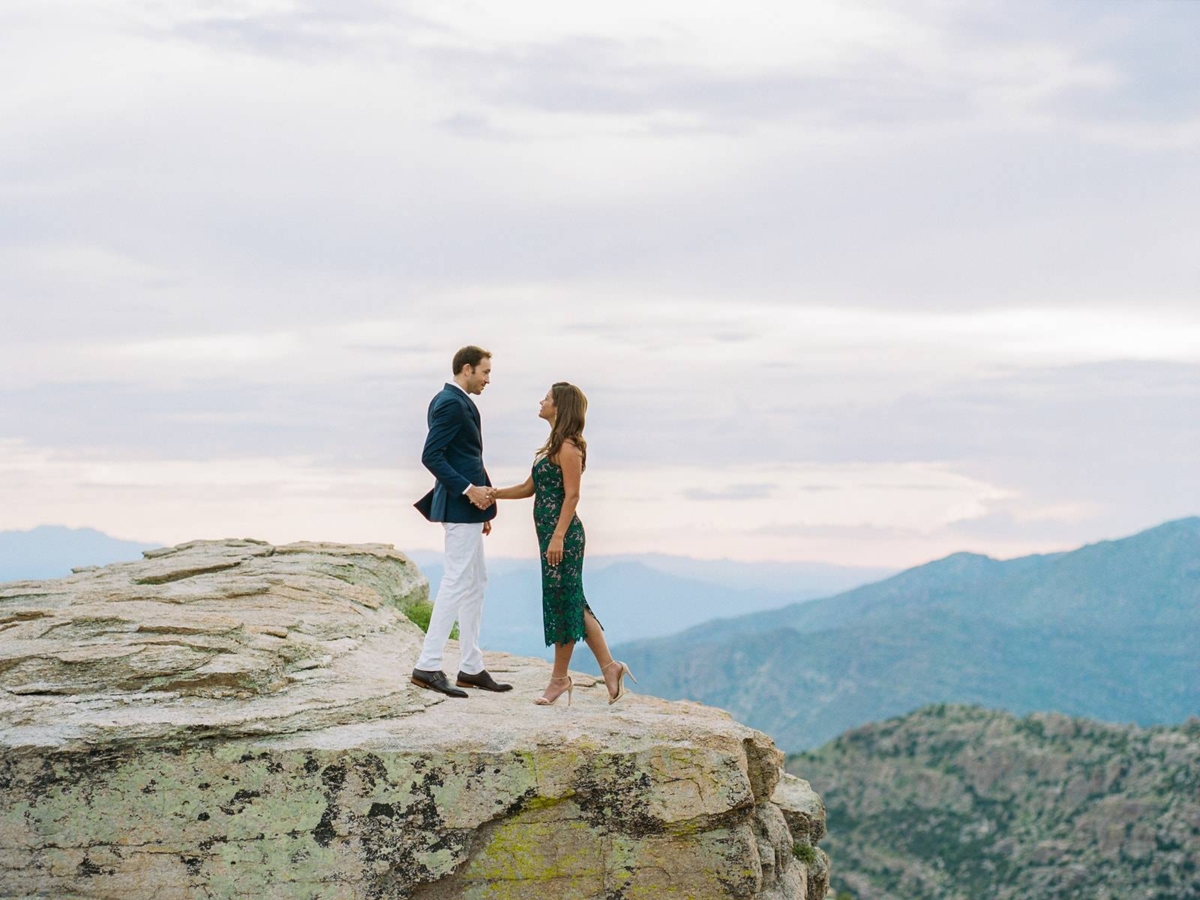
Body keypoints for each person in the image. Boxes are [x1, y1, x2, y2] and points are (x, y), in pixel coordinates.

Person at [492, 382, 635, 706]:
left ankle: (559, 680)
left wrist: (557, 536)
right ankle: (610, 667)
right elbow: (530, 488)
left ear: (560, 407)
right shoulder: (552, 447)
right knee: (573, 603)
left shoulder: (569, 448)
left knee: (563, 605)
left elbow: (573, 495)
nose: (541, 401)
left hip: (564, 538)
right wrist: (495, 493)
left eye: (547, 398)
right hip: (552, 537)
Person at [411, 346, 512, 698]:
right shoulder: (451, 402)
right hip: (459, 506)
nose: (487, 380)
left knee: (476, 580)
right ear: (466, 369)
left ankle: (470, 666)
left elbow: (468, 455)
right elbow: (431, 456)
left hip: (467, 509)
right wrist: (470, 492)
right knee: (456, 580)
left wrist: (481, 505)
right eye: (485, 372)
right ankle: (427, 665)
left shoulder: (453, 400)